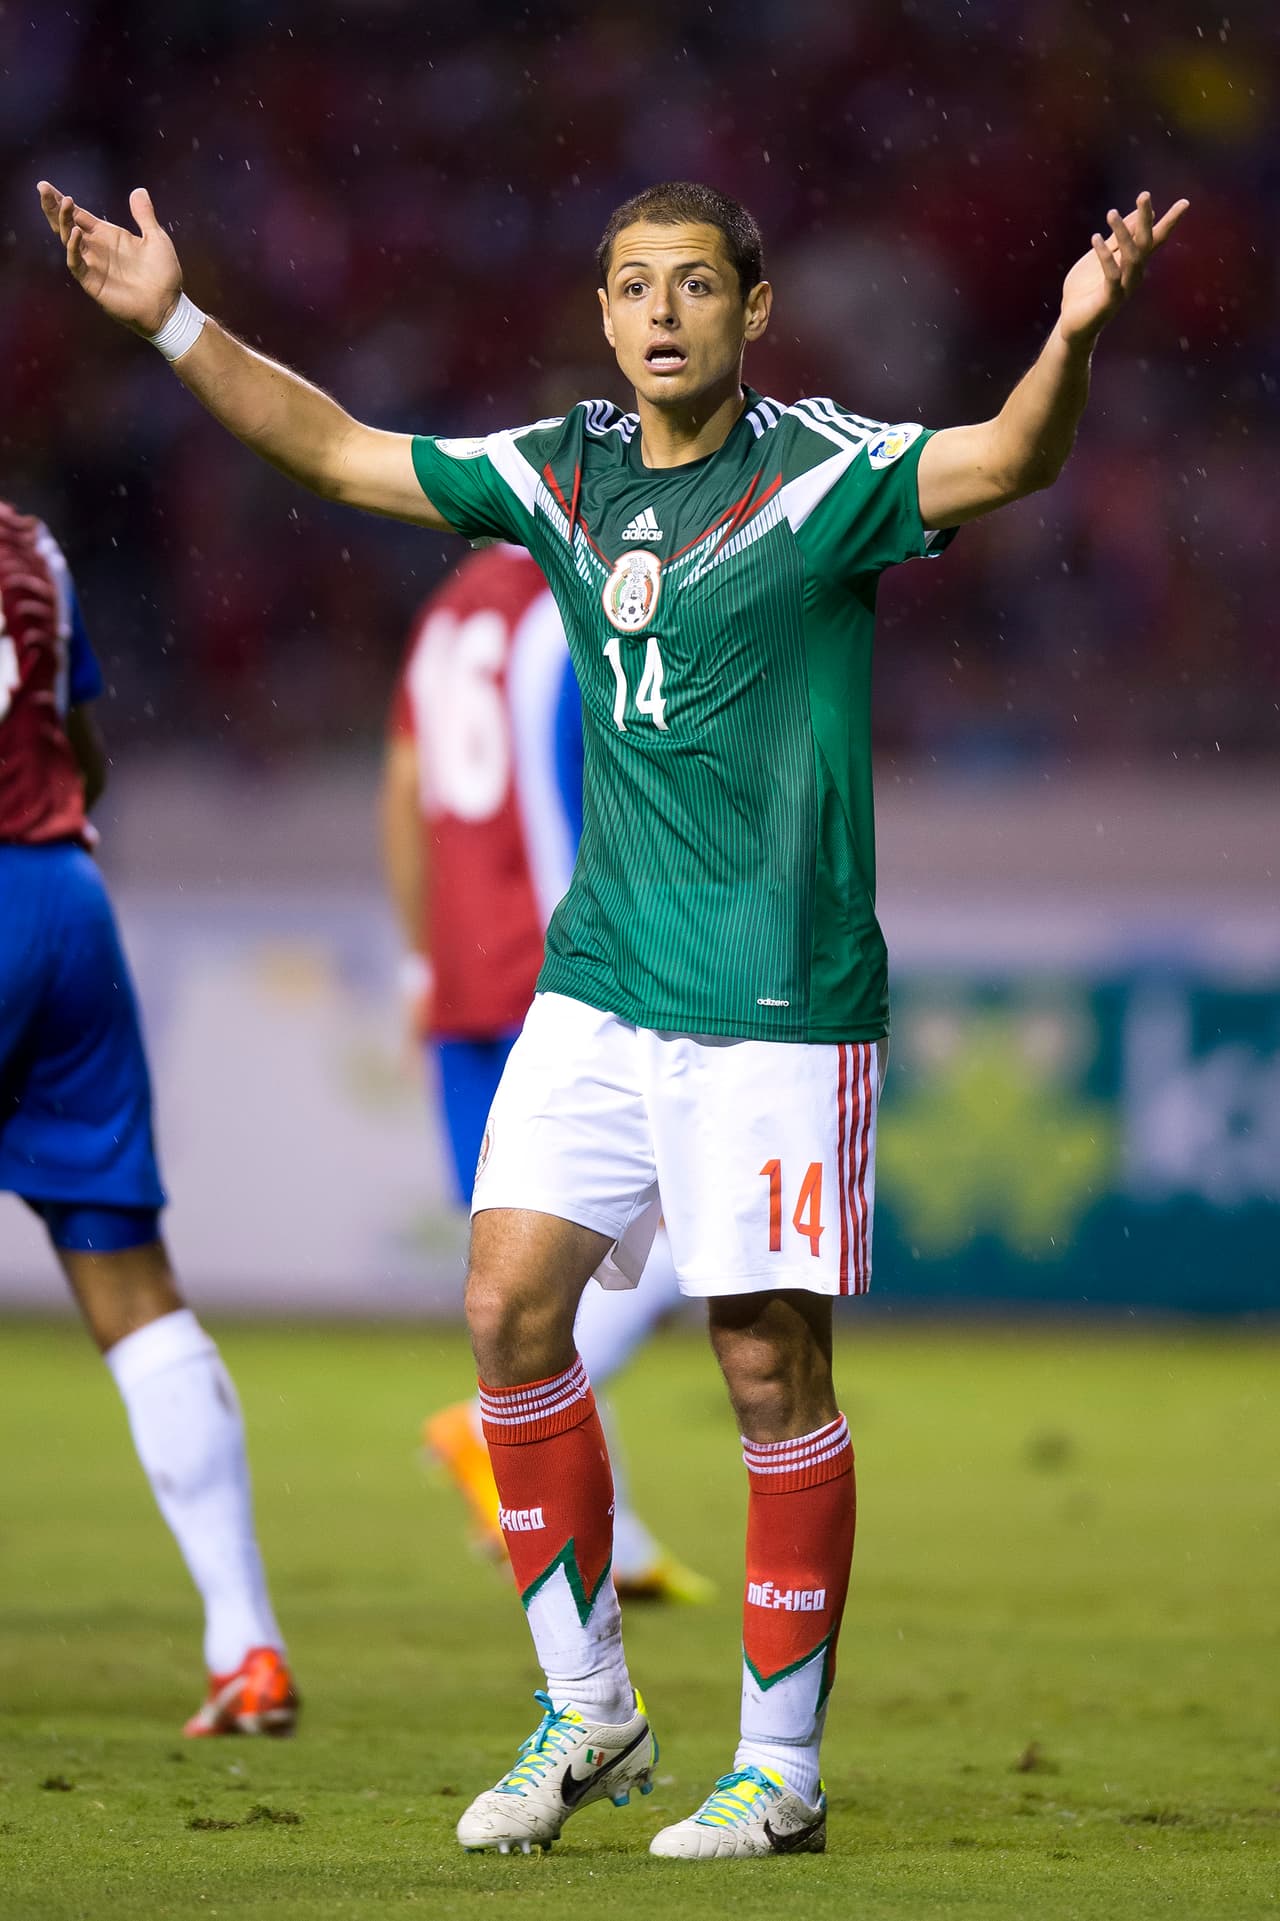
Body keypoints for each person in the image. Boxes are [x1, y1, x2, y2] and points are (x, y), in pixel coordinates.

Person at [38, 170, 1187, 1857]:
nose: (664, 311)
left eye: (697, 283)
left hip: (777, 995)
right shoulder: (561, 469)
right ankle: (590, 1712)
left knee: (766, 1362)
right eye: (636, 284)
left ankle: (780, 1769)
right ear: (601, 313)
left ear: (755, 309)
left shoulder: (825, 475)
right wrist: (175, 323)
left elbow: (1010, 458)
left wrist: (1072, 339)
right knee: (507, 1311)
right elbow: (341, 452)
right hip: (598, 984)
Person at [0, 497, 297, 1738]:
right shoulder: (31, 544)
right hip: (61, 901)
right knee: (129, 1284)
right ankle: (246, 1640)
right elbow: (86, 755)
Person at [382, 539, 709, 1601]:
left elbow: (403, 784)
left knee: (536, 1263)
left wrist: (421, 958)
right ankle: (489, 1427)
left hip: (462, 978)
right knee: (685, 1227)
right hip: (570, 968)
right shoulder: (583, 587)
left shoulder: (448, 613)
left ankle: (613, 1541)